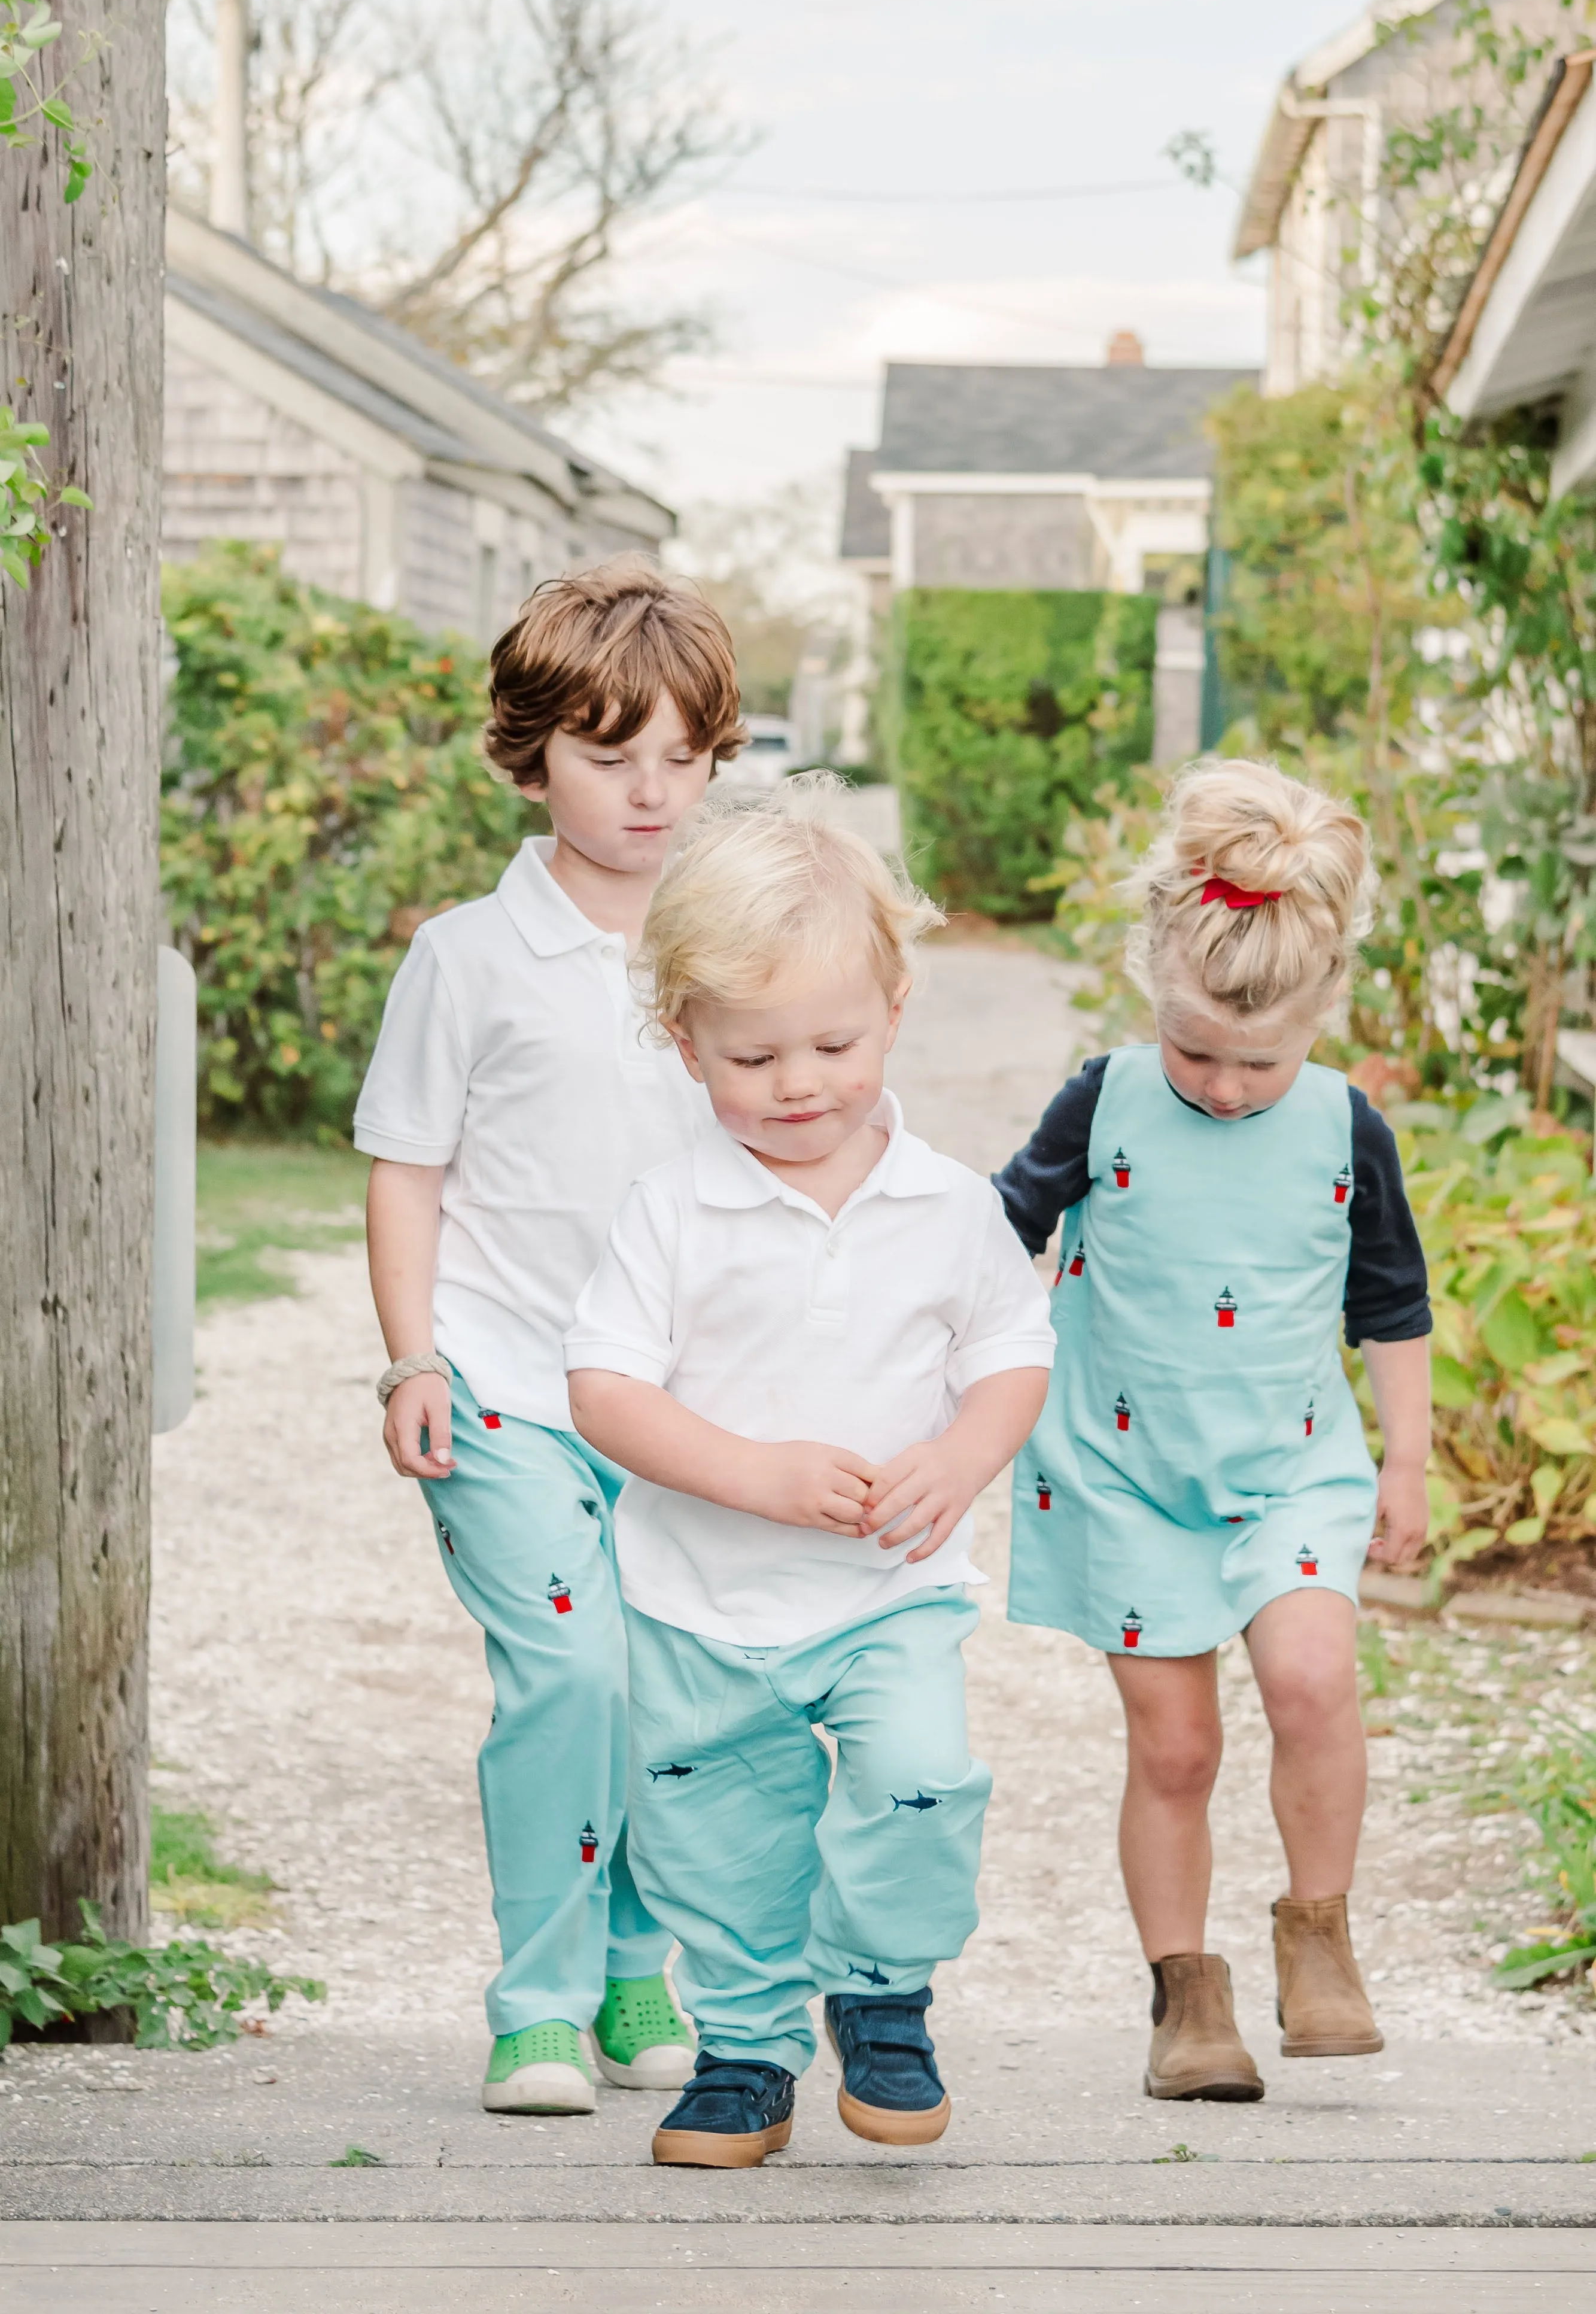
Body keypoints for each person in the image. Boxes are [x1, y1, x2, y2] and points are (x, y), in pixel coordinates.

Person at [564, 780, 1055, 2169]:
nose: (799, 1085)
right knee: (716, 1830)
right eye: (754, 1056)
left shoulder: (951, 1205)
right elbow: (601, 1384)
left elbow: (1014, 1353)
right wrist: (747, 1472)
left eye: (833, 1042)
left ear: (894, 1007)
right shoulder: (672, 1209)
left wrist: (961, 1458)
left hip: (887, 1590)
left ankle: (883, 1990)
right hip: (704, 1599)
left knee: (919, 1772)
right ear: (684, 1046)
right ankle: (744, 2050)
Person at [354, 558, 746, 2116]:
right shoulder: (468, 955)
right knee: (570, 1674)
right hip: (507, 1385)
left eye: (684, 758)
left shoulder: (729, 940)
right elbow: (409, 1168)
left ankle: (640, 1963)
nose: (651, 794)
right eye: (609, 755)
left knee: (673, 1692)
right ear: (529, 755)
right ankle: (535, 2001)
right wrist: (412, 1359)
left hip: (678, 1403)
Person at [994, 758, 1431, 2105]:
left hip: (1290, 1463)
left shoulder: (1342, 1125)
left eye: (1261, 1057)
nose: (1228, 1085)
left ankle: (1319, 1934)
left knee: (1310, 1682)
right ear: (1148, 986)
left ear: (1320, 1017)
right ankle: (1187, 1993)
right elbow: (988, 1240)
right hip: (1124, 1474)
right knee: (1176, 1747)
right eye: (1196, 1050)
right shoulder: (1103, 1101)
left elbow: (1390, 1300)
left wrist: (1404, 1458)